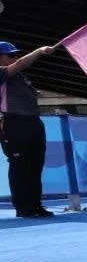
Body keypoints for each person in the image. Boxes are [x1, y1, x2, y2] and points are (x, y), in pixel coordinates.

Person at [0, 41, 55, 218]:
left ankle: (35, 205)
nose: (15, 58)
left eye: (16, 55)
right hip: (13, 121)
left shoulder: (20, 77)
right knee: (20, 165)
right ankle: (23, 207)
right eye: (11, 55)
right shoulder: (3, 72)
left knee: (35, 165)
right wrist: (39, 49)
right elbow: (21, 64)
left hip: (32, 121)